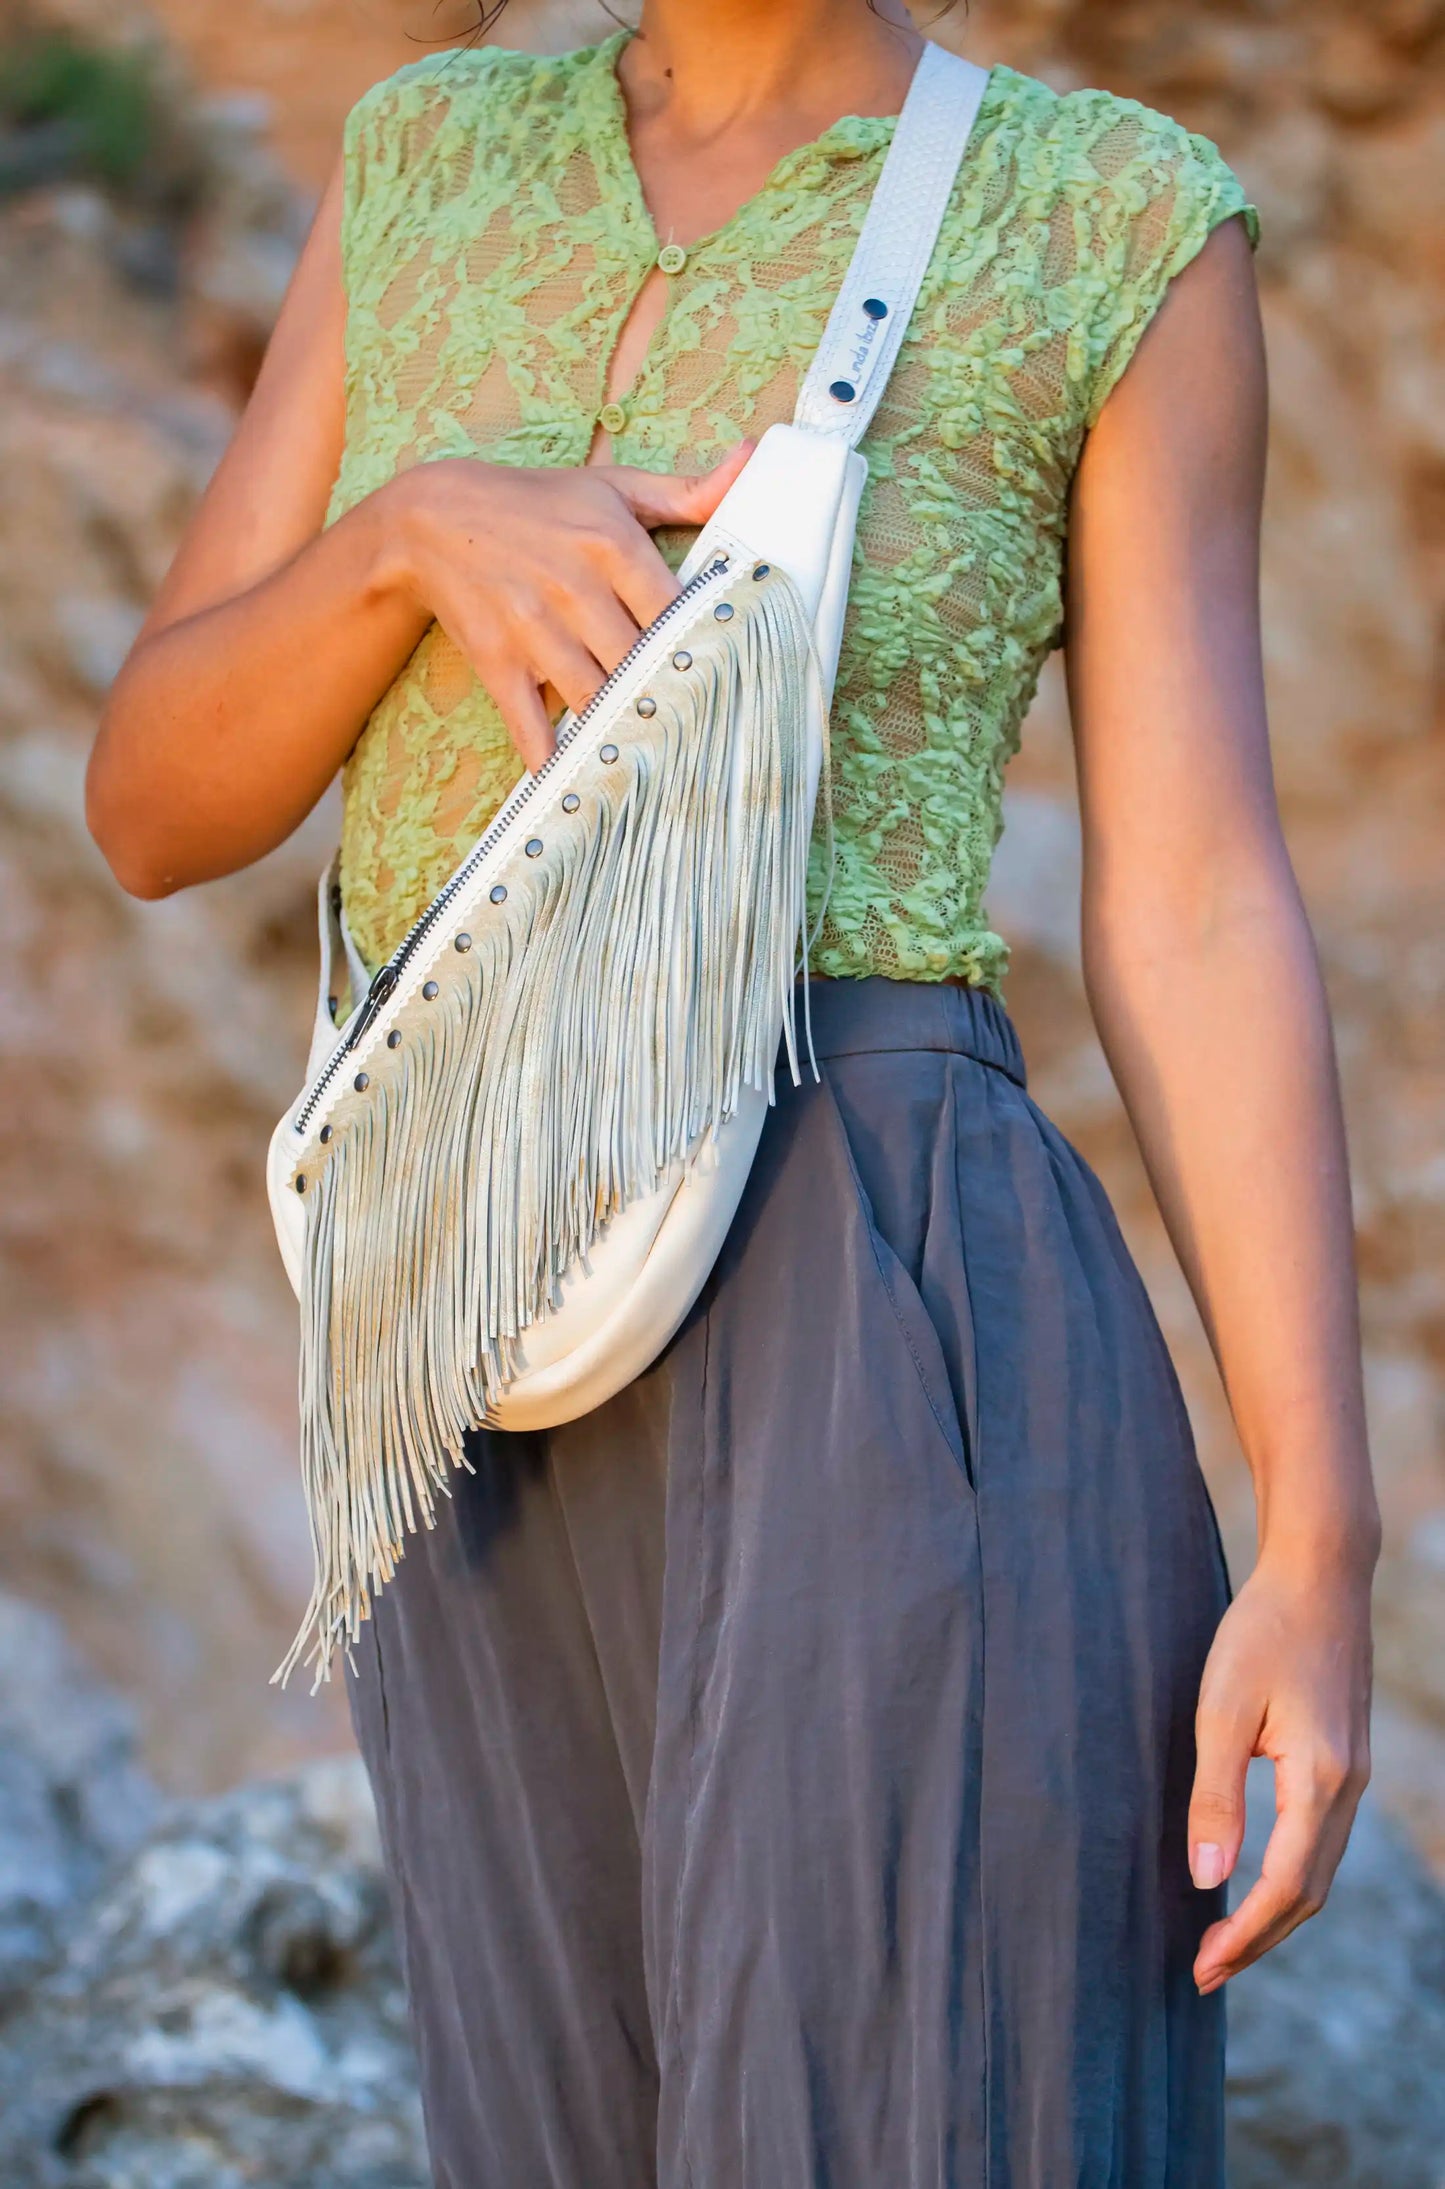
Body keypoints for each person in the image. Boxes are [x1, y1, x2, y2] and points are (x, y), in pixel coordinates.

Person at [86, 2, 1379, 2181]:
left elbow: (1199, 902)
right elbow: (149, 798)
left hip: (880, 1286)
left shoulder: (1113, 219)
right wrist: (406, 537)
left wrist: (1324, 1536)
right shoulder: (426, 160)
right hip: (460, 1341)